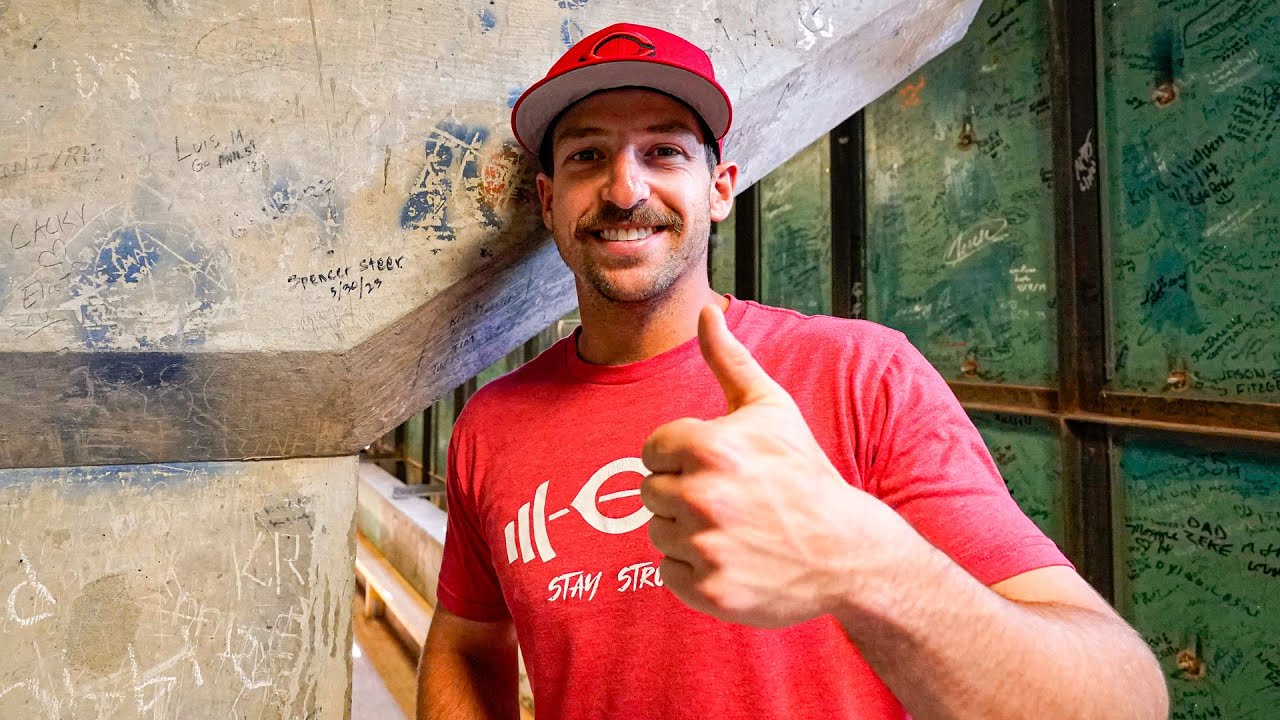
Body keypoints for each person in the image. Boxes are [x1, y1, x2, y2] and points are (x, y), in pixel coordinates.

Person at [419, 22, 1168, 720]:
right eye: (587, 155)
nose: (624, 189)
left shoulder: (861, 375)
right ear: (549, 200)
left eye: (665, 152)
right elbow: (467, 641)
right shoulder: (494, 422)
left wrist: (860, 561)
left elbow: (1121, 698)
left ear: (719, 189)